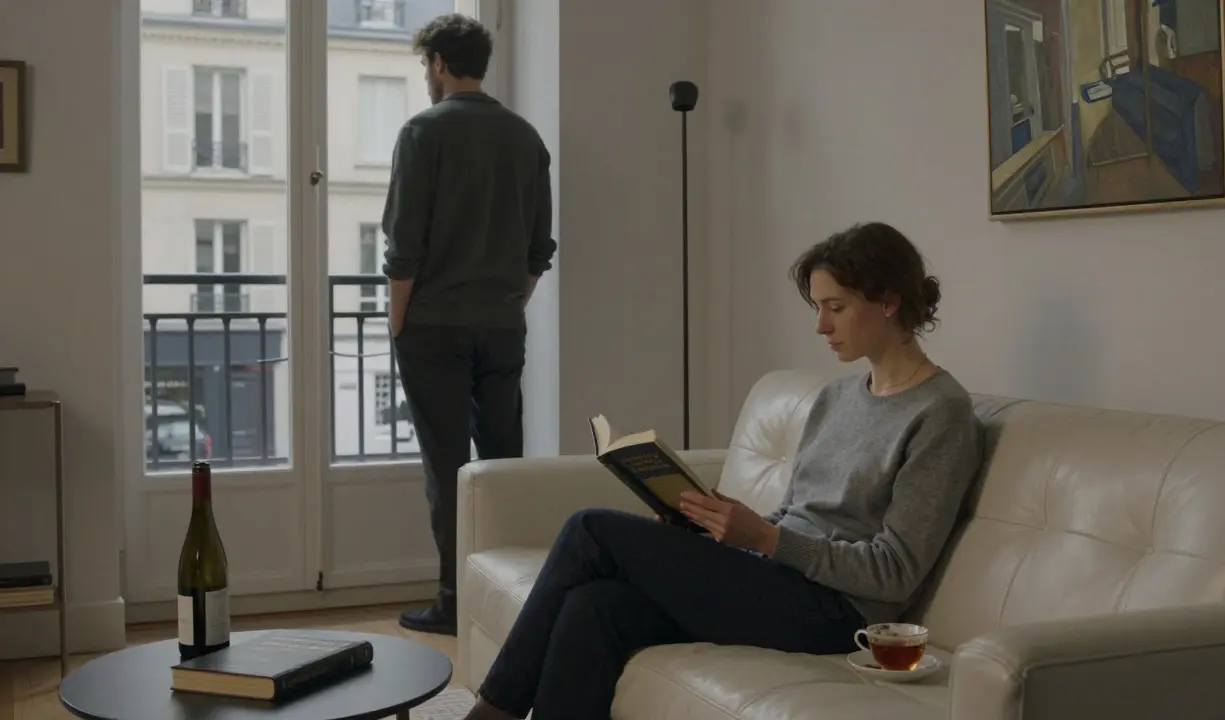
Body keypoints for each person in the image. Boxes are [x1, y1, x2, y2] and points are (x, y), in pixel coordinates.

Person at [462, 221, 985, 720]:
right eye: (819, 307)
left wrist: (765, 539)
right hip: (779, 577)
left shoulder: (940, 413)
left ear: (889, 301)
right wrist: (720, 532)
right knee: (595, 607)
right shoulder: (837, 396)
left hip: (840, 613)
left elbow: (894, 573)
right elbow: (793, 514)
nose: (821, 325)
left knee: (589, 530)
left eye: (836, 307)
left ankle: (494, 710)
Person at [384, 13, 556, 636]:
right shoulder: (525, 137)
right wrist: (507, 304)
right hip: (503, 324)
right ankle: (508, 602)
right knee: (503, 464)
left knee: (450, 467)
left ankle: (456, 603)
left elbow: (405, 244)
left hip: (432, 326)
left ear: (437, 63)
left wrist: (398, 322)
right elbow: (539, 250)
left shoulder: (422, 133)